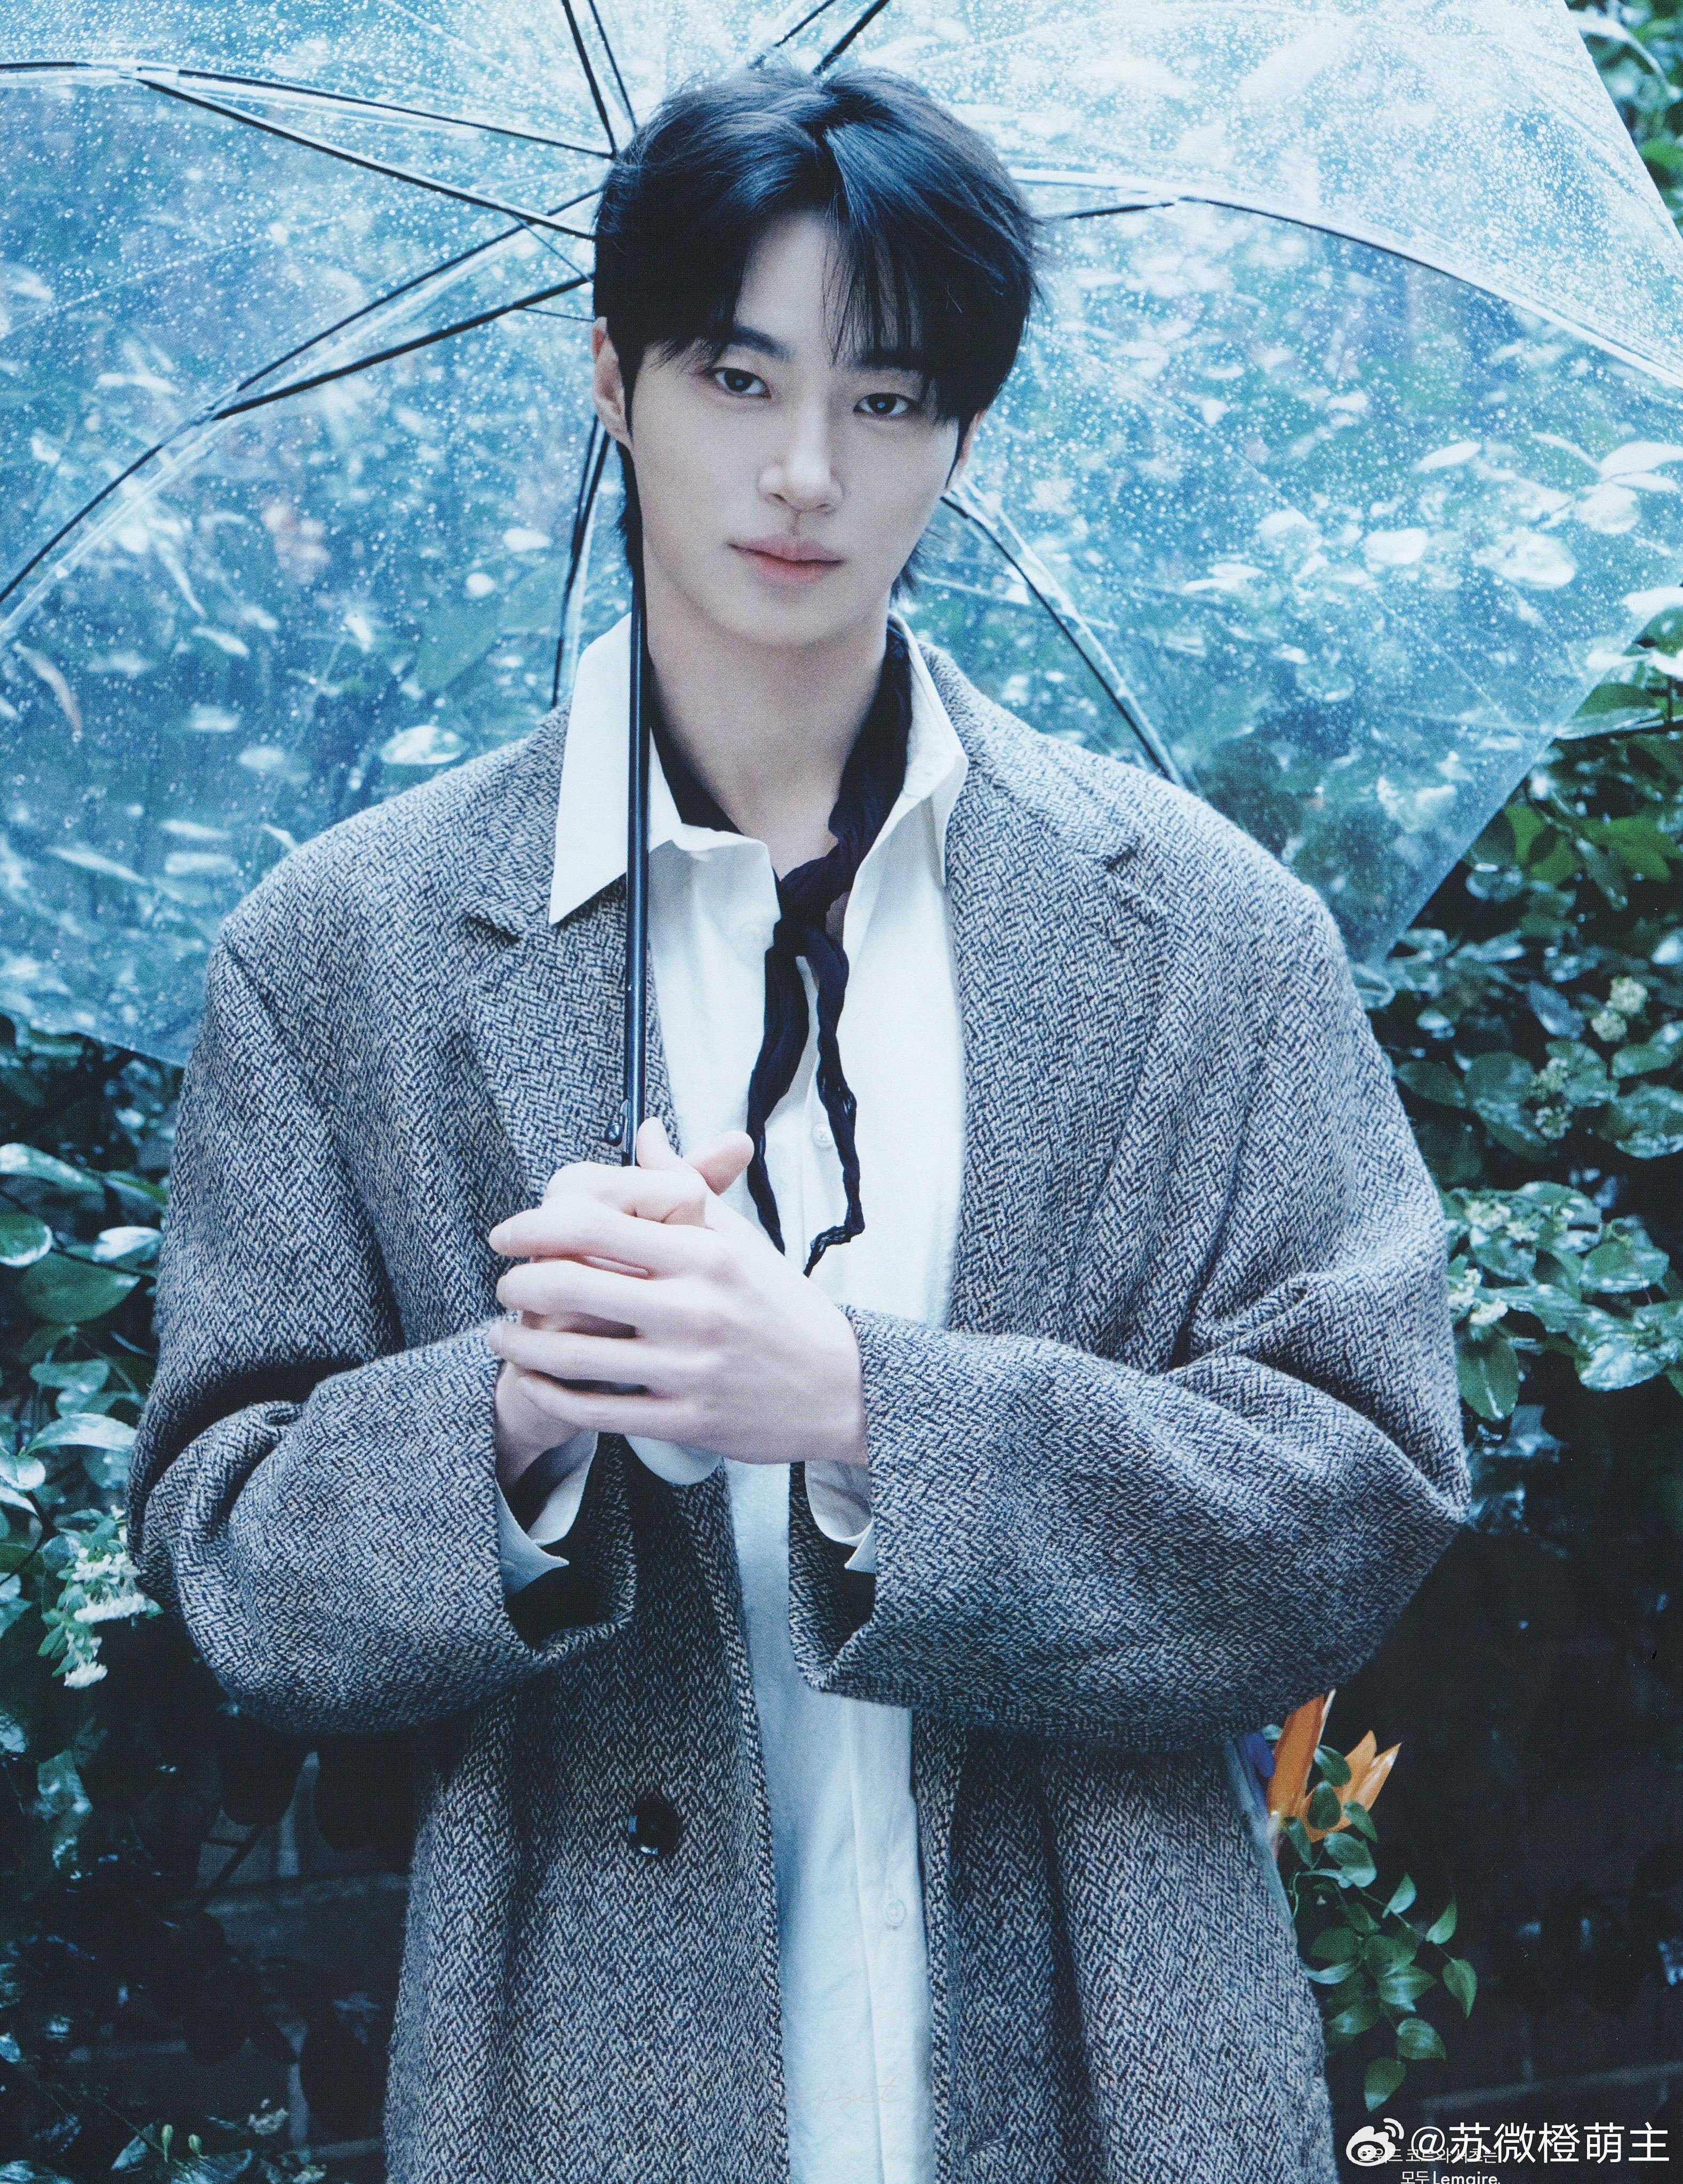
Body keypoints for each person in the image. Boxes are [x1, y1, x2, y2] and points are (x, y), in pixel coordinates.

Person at [130, 57, 1469, 2184]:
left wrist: (860, 1405)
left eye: (887, 397)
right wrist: (513, 1411)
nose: (803, 472)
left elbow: (1362, 1484)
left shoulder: (1206, 933)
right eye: (735, 375)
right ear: (612, 375)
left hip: (1115, 2075)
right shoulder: (343, 953)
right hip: (576, 2089)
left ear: (963, 434)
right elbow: (230, 1561)